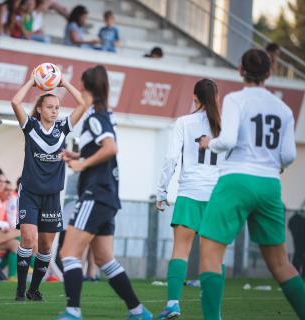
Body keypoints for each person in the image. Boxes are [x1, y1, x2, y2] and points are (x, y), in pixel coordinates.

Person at [198, 49, 305, 319]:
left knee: (210, 254)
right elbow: (289, 155)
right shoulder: (283, 108)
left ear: (240, 69)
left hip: (236, 179)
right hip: (269, 184)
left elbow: (229, 140)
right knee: (281, 264)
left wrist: (209, 143)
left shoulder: (236, 100)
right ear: (269, 73)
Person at [58, 66, 153, 320]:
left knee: (68, 253)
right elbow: (103, 149)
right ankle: (138, 311)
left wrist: (81, 164)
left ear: (84, 86)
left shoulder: (95, 117)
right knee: (104, 258)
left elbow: (110, 148)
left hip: (95, 194)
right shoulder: (105, 115)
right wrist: (78, 154)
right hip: (108, 196)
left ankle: (72, 312)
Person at [11, 67, 87, 302]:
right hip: (30, 193)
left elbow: (82, 104)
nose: (55, 111)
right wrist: (32, 82)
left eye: (57, 108)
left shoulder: (63, 128)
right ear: (39, 109)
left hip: (52, 195)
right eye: (50, 107)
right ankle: (20, 290)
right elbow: (15, 102)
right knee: (28, 237)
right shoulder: (30, 126)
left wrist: (64, 83)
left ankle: (34, 289)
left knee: (45, 246)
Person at [155, 79, 222, 319]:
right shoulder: (225, 125)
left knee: (180, 251)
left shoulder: (184, 122)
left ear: (195, 97)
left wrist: (161, 191)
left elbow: (171, 158)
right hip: (216, 197)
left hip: (189, 193)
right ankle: (214, 313)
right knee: (214, 259)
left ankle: (173, 304)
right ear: (215, 97)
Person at [288, 208, 305, 278]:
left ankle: (296, 274)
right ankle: (296, 274)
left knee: (298, 254)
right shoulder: (295, 218)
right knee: (298, 254)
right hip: (298, 236)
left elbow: (290, 226)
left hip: (297, 237)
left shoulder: (294, 218)